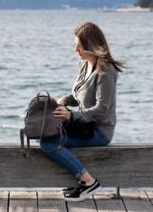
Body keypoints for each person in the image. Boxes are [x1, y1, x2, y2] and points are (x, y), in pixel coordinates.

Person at [40, 22, 124, 201]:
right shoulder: (85, 63)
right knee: (45, 133)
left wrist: (70, 115)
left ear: (91, 45)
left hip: (99, 132)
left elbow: (102, 109)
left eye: (79, 45)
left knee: (49, 143)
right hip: (84, 124)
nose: (76, 50)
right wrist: (65, 100)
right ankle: (83, 181)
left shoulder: (106, 70)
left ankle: (88, 182)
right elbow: (80, 93)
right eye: (75, 44)